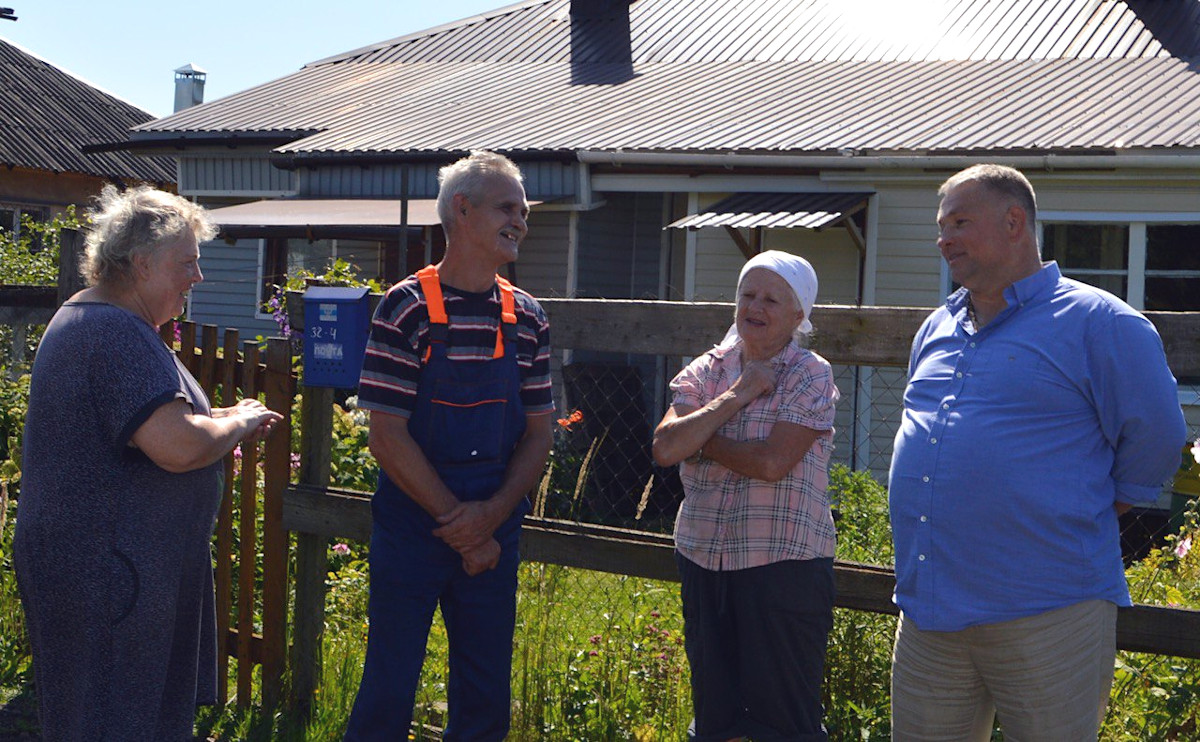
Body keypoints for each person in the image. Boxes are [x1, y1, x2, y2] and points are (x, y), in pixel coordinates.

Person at [888, 164, 1187, 740]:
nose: (943, 239)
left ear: (1014, 222)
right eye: (940, 225)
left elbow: (1158, 435)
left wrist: (1101, 507)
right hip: (930, 616)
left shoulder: (1100, 322)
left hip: (1049, 612)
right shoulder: (936, 326)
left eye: (959, 223)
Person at [13, 185, 283, 741]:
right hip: (112, 578)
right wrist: (238, 424)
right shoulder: (113, 333)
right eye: (187, 262)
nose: (198, 277)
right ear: (140, 264)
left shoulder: (97, 321)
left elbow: (147, 426)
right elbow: (177, 445)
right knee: (116, 723)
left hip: (106, 571)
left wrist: (228, 411)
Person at [345, 150, 554, 741]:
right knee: (388, 687)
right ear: (462, 210)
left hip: (495, 521)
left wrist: (490, 517)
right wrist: (458, 523)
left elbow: (539, 433)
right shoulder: (405, 307)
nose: (521, 220)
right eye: (506, 208)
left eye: (524, 210)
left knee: (486, 694)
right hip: (414, 525)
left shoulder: (529, 317)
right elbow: (386, 437)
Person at [652, 250, 840, 741]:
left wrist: (704, 442)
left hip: (781, 567)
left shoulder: (809, 373)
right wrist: (738, 393)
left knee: (784, 724)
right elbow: (667, 447)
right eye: (747, 295)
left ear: (800, 314)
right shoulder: (710, 368)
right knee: (716, 721)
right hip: (703, 560)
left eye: (771, 299)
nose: (755, 306)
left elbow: (772, 463)